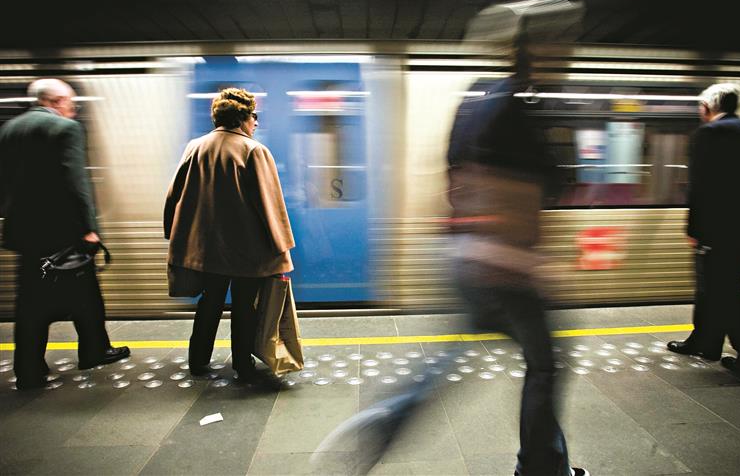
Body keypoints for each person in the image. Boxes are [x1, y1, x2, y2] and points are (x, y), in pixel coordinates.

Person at [313, 52, 586, 475]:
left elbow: (453, 174)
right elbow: (554, 183)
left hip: (462, 257)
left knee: (448, 358)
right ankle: (542, 467)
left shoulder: (475, 100)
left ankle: (387, 417)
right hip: (507, 264)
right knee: (546, 364)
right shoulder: (524, 106)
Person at [0, 78, 129, 390]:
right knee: (87, 294)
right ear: (56, 101)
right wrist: (89, 229)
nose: (73, 109)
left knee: (29, 302)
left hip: (26, 233)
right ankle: (94, 350)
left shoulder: (10, 130)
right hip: (62, 233)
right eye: (71, 103)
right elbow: (76, 182)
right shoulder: (65, 129)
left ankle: (29, 369)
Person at [164, 87, 295, 384]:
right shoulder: (253, 150)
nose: (257, 123)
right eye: (254, 116)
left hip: (207, 249)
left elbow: (174, 196)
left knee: (209, 303)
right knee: (244, 308)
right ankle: (242, 365)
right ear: (242, 118)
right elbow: (270, 205)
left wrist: (175, 236)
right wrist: (282, 249)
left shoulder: (194, 147)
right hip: (246, 251)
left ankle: (197, 361)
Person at [667, 83, 740, 384]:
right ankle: (705, 342)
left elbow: (700, 185)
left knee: (724, 290)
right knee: (716, 285)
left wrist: (694, 228)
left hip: (716, 228)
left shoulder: (708, 134)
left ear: (708, 107)